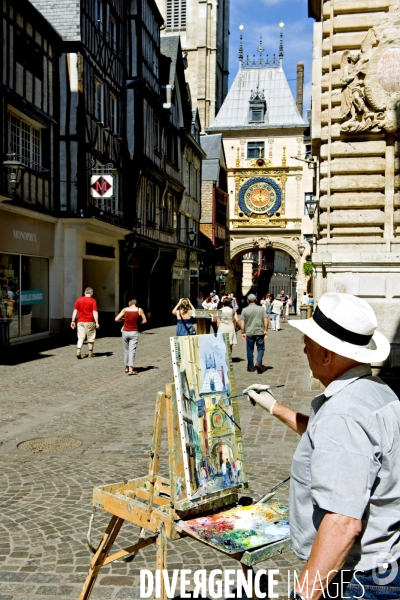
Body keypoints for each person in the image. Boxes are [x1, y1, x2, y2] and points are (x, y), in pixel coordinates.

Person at [246, 293, 399, 600]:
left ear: (328, 355)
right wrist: (275, 407)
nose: (304, 349)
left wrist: (303, 596)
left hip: (363, 578)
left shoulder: (342, 415)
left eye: (309, 343)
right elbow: (330, 440)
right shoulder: (375, 391)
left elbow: (342, 523)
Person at [115, 299, 147, 375]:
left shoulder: (125, 310)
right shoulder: (139, 310)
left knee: (126, 350)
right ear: (135, 304)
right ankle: (130, 369)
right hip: (134, 332)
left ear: (129, 304)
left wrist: (123, 319)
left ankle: (126, 367)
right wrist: (138, 322)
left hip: (125, 332)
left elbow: (116, 319)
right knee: (131, 350)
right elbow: (145, 321)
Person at [240, 293, 268, 373]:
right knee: (261, 348)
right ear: (256, 300)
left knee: (249, 350)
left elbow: (242, 321)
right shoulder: (261, 309)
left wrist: (243, 332)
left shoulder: (244, 310)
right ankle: (258, 362)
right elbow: (265, 320)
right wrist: (265, 330)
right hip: (259, 331)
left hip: (249, 332)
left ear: (247, 301)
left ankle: (250, 367)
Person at [70, 287, 99, 359]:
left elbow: (75, 311)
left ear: (84, 292)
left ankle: (78, 351)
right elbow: (94, 312)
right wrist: (97, 322)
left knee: (80, 337)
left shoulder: (79, 300)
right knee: (91, 337)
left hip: (80, 321)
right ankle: (90, 353)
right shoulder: (93, 301)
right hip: (90, 321)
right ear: (92, 293)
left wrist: (73, 321)